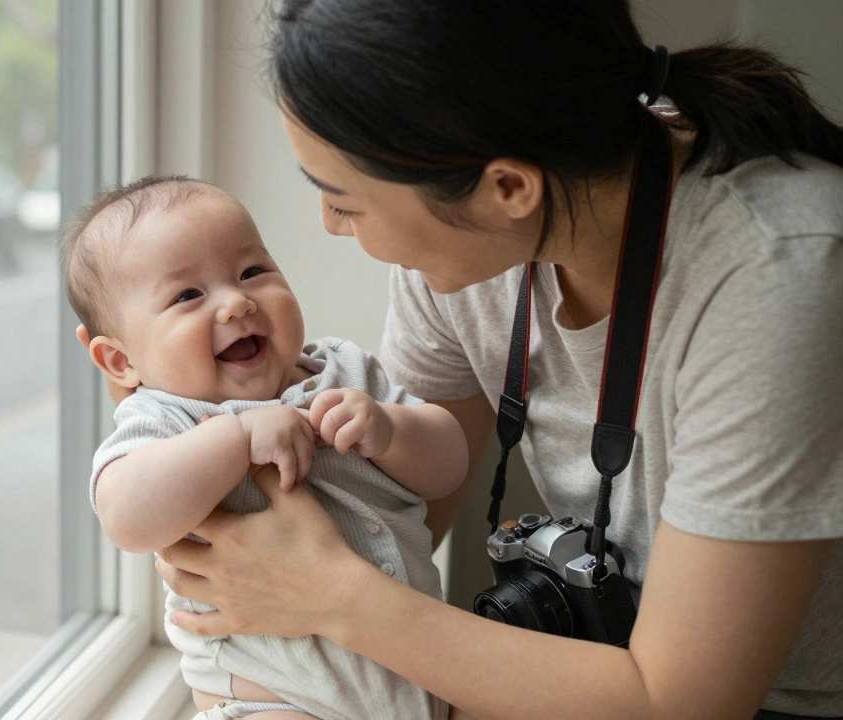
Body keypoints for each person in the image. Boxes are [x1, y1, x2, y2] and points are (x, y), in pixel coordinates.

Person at [133, 2, 843, 719]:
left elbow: (683, 702)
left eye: (345, 200)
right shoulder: (470, 245)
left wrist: (329, 594)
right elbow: (403, 504)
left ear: (507, 188)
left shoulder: (779, 272)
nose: (330, 225)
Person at [65, 176, 470, 720]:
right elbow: (126, 516)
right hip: (272, 701)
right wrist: (235, 438)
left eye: (252, 272)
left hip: (425, 681)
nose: (236, 303)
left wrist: (393, 430)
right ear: (121, 362)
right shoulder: (167, 416)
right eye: (188, 295)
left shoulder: (342, 371)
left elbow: (450, 465)